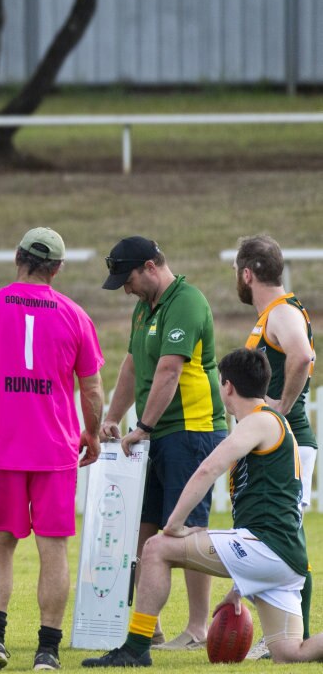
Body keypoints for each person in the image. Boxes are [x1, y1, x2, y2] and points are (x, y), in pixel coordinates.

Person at [83, 348, 323, 667]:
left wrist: (174, 525)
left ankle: (136, 649)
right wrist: (240, 587)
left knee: (156, 548)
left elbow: (209, 468)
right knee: (291, 653)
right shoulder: (275, 423)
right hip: (285, 558)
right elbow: (268, 507)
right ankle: (138, 646)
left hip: (266, 548)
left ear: (226, 386)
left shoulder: (259, 422)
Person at [0, 227, 104, 672]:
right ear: (58, 268)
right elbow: (91, 388)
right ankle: (47, 650)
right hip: (54, 449)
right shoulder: (75, 314)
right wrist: (90, 432)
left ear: (17, 257)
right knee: (54, 549)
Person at [100, 236, 228, 651]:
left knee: (188, 531)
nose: (126, 288)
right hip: (156, 434)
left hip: (191, 432)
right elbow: (133, 365)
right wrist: (113, 416)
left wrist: (145, 426)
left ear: (151, 267)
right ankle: (146, 625)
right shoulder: (144, 309)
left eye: (129, 278)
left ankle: (196, 628)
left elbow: (170, 370)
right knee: (146, 527)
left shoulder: (186, 301)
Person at [235, 234, 316, 652]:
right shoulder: (274, 312)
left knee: (288, 536)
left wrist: (280, 407)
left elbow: (302, 356)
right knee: (278, 533)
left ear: (247, 273)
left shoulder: (281, 312)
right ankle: (282, 633)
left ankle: (294, 634)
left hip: (292, 442)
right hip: (282, 443)